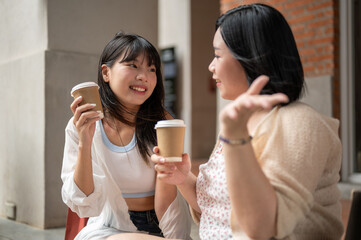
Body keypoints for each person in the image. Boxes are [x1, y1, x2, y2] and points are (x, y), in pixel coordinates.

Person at [152, 3, 344, 240]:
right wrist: (183, 178)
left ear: (252, 58)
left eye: (217, 55)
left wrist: (236, 137)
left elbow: (262, 229)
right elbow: (218, 210)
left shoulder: (301, 124)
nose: (211, 66)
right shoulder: (242, 121)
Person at [61, 32, 191, 240]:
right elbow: (84, 204)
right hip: (109, 227)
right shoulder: (82, 124)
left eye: (151, 69)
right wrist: (85, 142)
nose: (144, 76)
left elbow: (166, 197)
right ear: (106, 73)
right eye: (133, 65)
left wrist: (173, 238)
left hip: (162, 224)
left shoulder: (163, 122)